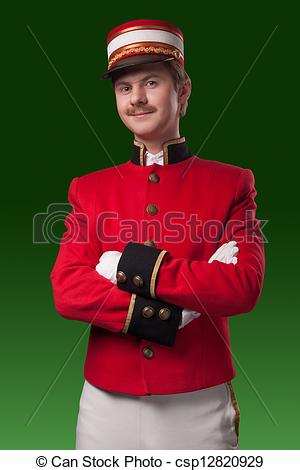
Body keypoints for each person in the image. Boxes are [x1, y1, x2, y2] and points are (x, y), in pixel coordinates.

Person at [50, 19, 265, 450]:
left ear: (182, 92)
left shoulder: (232, 184)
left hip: (198, 402)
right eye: (124, 88)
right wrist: (173, 312)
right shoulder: (87, 189)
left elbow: (242, 286)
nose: (137, 99)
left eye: (151, 82)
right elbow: (68, 290)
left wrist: (126, 266)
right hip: (105, 405)